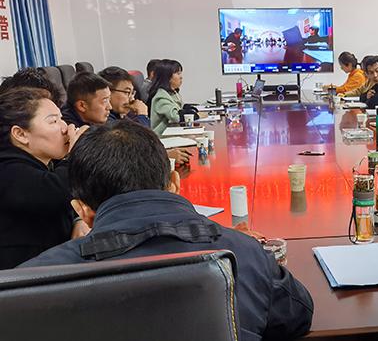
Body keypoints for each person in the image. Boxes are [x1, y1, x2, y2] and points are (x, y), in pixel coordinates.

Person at [20, 120, 314, 339]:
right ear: (174, 182)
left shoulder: (34, 282)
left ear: (81, 210)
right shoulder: (242, 252)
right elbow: (297, 317)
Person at [0, 87, 89, 269]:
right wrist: (76, 155)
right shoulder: (7, 170)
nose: (66, 128)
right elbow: (56, 192)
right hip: (21, 280)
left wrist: (78, 220)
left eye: (62, 119)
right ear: (20, 134)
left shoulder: (46, 163)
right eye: (53, 121)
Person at [148, 59, 184, 136]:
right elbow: (175, 117)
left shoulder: (173, 93)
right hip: (162, 137)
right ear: (167, 77)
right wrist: (194, 115)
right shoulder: (161, 96)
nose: (181, 77)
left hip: (173, 133)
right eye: (178, 73)